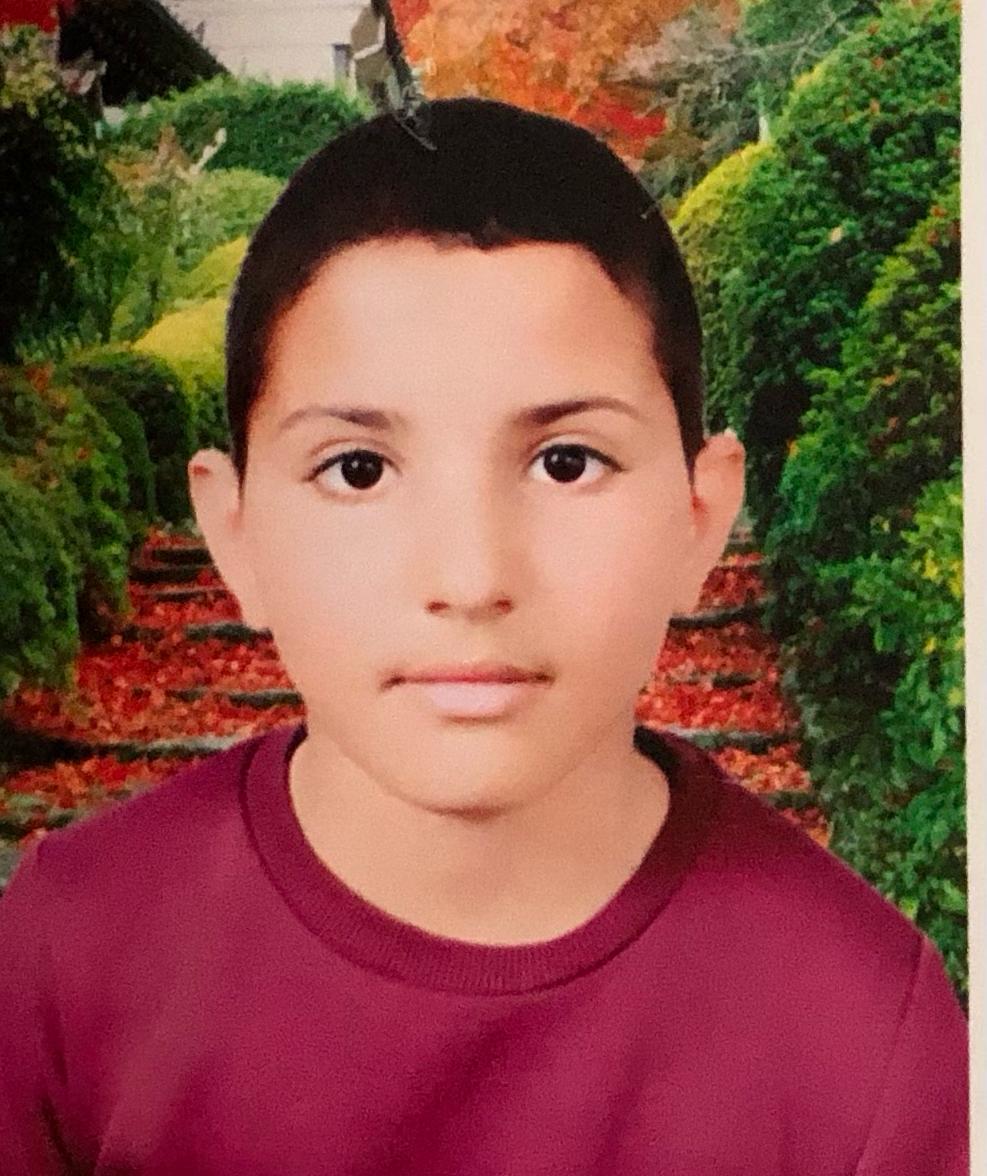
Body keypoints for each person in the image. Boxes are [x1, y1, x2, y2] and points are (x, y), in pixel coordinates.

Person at [0, 97, 968, 1174]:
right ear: (234, 532)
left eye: (566, 462)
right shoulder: (68, 956)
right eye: (357, 470)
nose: (470, 580)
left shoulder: (859, 1029)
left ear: (703, 513)